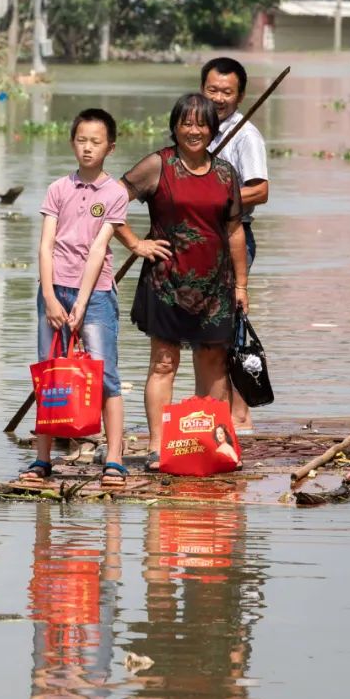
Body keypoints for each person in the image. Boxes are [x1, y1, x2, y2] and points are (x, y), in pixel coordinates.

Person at [19, 108, 147, 493]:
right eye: (81, 140)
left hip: (96, 295)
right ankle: (43, 460)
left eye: (96, 142)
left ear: (110, 147)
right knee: (50, 373)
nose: (88, 148)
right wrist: (49, 296)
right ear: (72, 142)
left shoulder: (114, 193)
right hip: (53, 291)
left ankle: (114, 460)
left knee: (106, 377)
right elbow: (45, 245)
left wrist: (81, 303)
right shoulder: (59, 188)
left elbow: (98, 249)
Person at [118, 92, 248, 473]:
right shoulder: (158, 165)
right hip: (167, 281)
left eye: (201, 124)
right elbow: (106, 203)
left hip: (216, 284)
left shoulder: (226, 173)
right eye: (186, 123)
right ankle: (158, 447)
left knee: (213, 361)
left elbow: (235, 229)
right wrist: (134, 242)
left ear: (212, 129)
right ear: (174, 126)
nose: (193, 130)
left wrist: (241, 286)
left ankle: (210, 442)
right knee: (163, 363)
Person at [200, 56, 268, 434]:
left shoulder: (244, 135)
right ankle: (216, 409)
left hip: (232, 239)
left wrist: (214, 199)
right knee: (208, 328)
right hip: (197, 242)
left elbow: (260, 189)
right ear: (202, 90)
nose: (219, 97)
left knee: (229, 326)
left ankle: (240, 417)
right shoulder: (197, 128)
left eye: (227, 91)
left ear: (240, 95)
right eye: (213, 89)